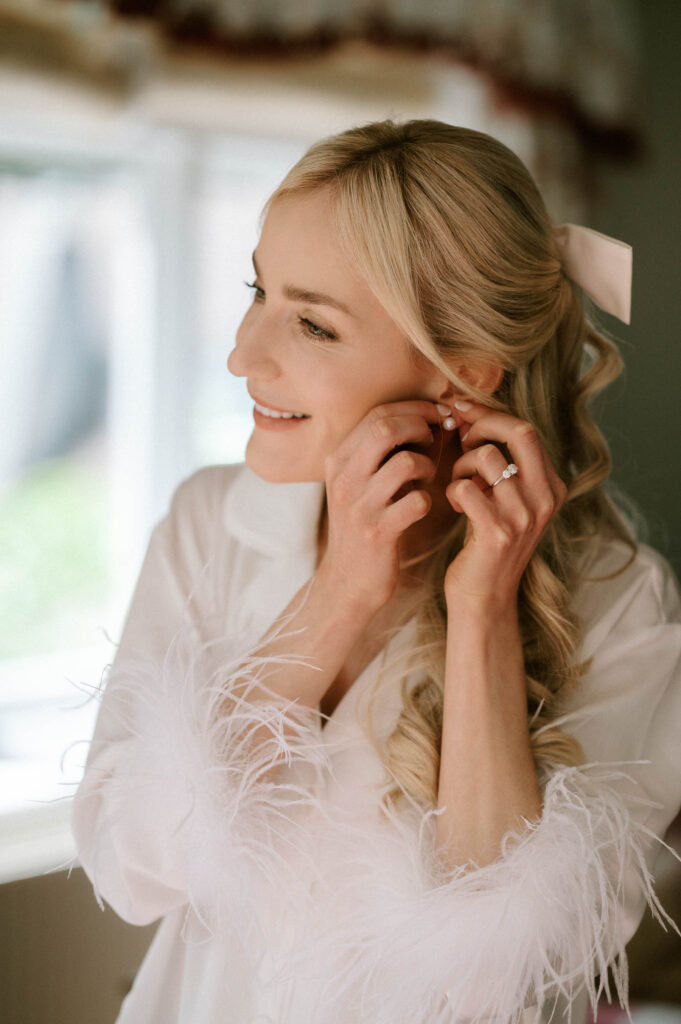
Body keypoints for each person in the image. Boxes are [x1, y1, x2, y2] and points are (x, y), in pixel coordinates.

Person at [71, 118, 681, 1024]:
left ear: (457, 380)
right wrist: (337, 595)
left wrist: (483, 617)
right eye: (257, 290)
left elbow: (501, 985)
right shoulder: (208, 526)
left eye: (311, 323)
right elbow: (128, 866)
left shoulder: (621, 605)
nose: (242, 354)